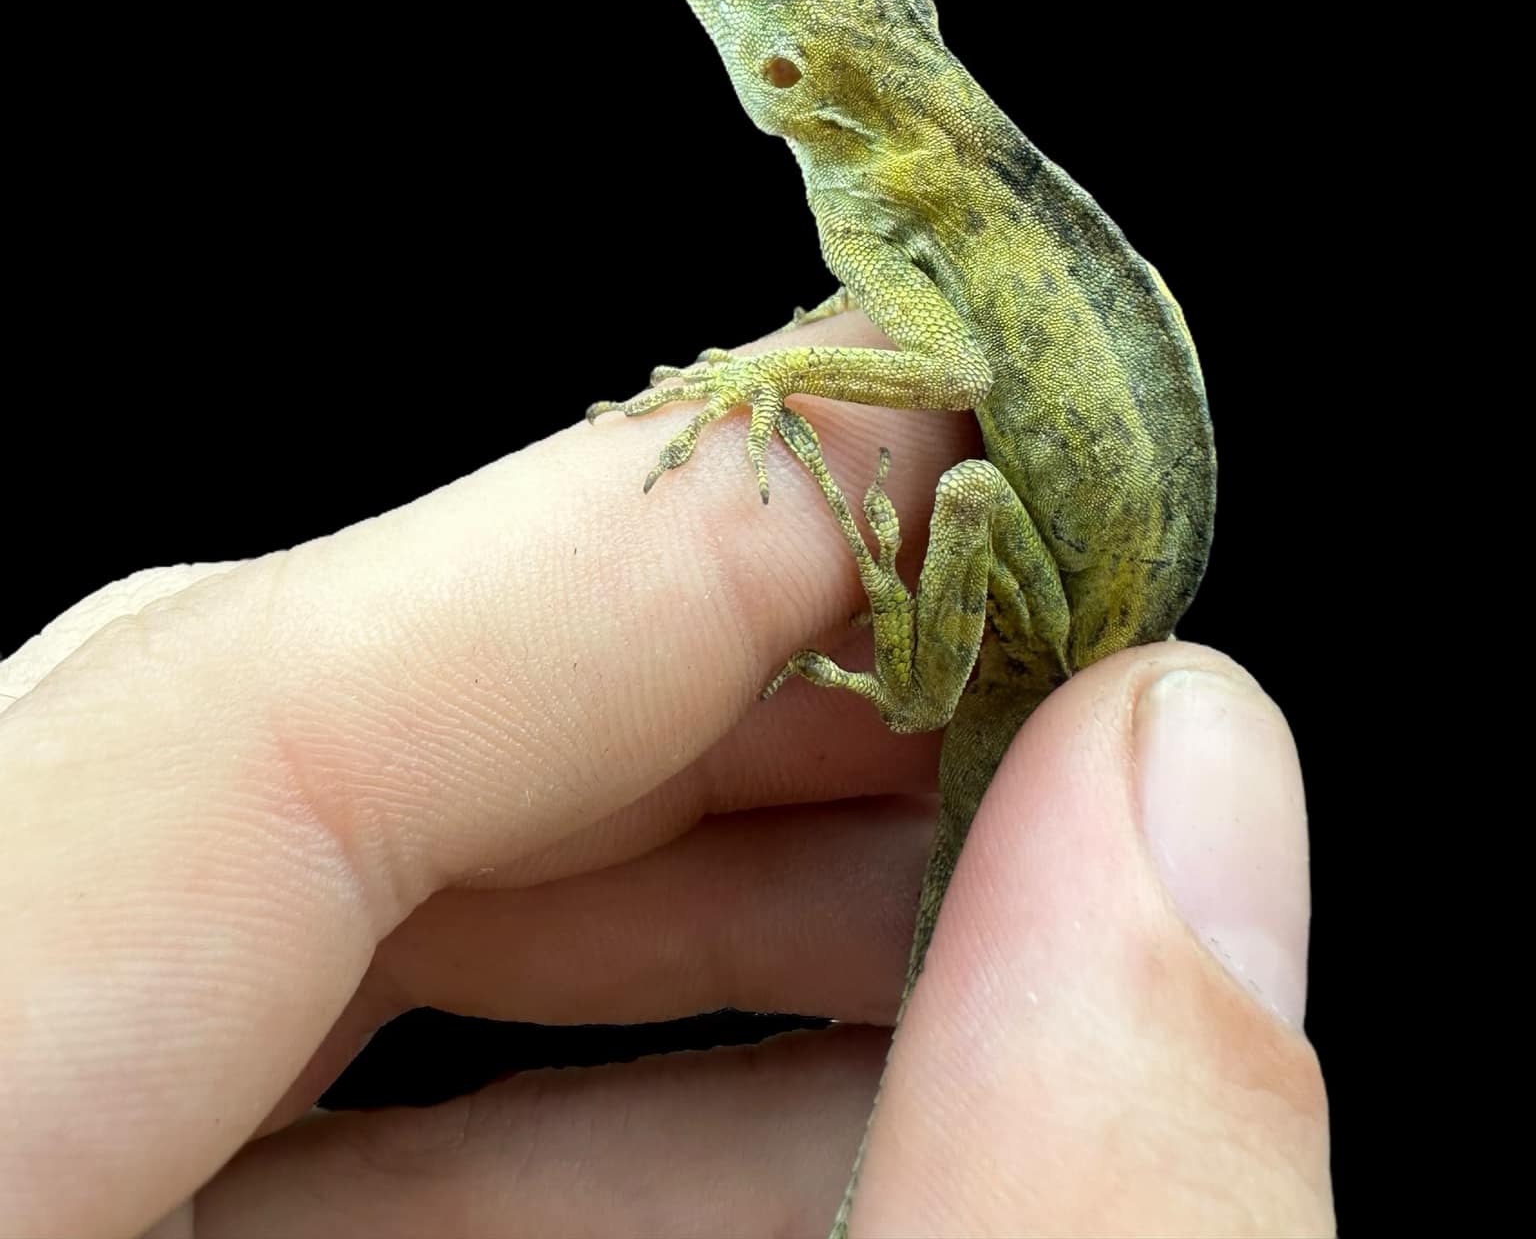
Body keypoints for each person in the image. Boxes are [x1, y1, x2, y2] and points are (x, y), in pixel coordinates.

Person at [0, 314, 1332, 1237]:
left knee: (972, 504)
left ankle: (921, 681)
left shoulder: (899, 183)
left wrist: (779, 377)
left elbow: (960, 358)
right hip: (1074, 601)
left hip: (1057, 628)